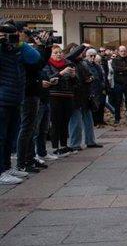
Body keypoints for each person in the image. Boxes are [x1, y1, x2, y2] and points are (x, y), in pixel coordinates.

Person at [0, 20, 42, 185]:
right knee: (1, 137)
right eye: (7, 35)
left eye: (13, 35)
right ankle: (1, 171)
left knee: (9, 136)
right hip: (3, 100)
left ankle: (7, 167)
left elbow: (35, 58)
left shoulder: (17, 50)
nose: (9, 38)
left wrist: (20, 43)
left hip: (16, 98)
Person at [15, 29, 51, 174]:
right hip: (27, 92)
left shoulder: (25, 48)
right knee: (27, 128)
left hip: (33, 92)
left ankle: (29, 158)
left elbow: (41, 63)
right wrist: (41, 46)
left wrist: (46, 46)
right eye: (24, 31)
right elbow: (37, 63)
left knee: (31, 128)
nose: (28, 34)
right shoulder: (21, 49)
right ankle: (22, 162)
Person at [40, 45, 76, 157]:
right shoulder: (47, 64)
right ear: (51, 55)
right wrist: (61, 73)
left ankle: (64, 145)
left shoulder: (68, 64)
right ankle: (55, 147)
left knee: (65, 121)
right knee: (56, 122)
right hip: (54, 95)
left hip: (68, 95)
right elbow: (47, 78)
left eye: (60, 52)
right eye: (55, 53)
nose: (59, 54)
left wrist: (73, 76)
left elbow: (75, 83)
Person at [67, 45, 100, 150]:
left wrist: (90, 78)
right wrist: (82, 46)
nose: (80, 54)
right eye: (79, 52)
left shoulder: (83, 63)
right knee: (76, 122)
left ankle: (90, 141)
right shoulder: (69, 62)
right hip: (75, 95)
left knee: (88, 120)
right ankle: (74, 144)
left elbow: (90, 75)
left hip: (85, 94)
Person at [111, 45, 127, 125]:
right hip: (118, 84)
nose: (123, 52)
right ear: (118, 52)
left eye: (124, 51)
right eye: (121, 51)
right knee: (118, 102)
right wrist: (126, 69)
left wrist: (122, 71)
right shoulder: (115, 60)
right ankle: (117, 118)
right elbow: (115, 69)